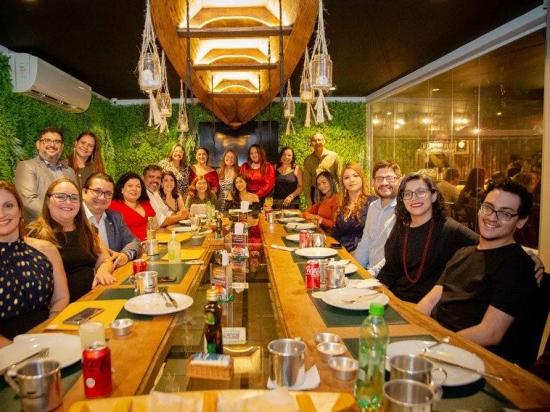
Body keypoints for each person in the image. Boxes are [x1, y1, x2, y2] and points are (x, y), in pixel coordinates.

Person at [417, 179, 546, 368]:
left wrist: (436, 346)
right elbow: (429, 302)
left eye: (505, 213)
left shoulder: (517, 265)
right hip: (437, 344)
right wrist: (411, 330)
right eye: (488, 207)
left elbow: (490, 333)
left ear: (521, 221)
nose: (492, 217)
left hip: (472, 360)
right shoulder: (463, 253)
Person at [378, 173, 479, 303]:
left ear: (434, 196)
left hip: (428, 307)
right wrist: (377, 297)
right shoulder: (401, 227)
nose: (414, 198)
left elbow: (483, 246)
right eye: (408, 194)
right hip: (395, 300)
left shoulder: (449, 228)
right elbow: (389, 271)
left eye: (420, 192)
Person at [0, 181, 69, 346]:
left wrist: (50, 327)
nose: (2, 214)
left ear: (20, 211)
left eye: (8, 205)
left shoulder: (47, 249)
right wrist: (15, 351)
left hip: (50, 337)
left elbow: (61, 297)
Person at [26, 178, 115, 301]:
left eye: (74, 198)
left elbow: (105, 259)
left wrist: (103, 271)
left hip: (94, 298)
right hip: (60, 308)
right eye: (60, 196)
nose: (68, 202)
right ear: (47, 200)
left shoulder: (88, 229)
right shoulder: (34, 235)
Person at [15, 127, 77, 222]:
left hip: (67, 226)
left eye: (57, 141)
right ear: (38, 144)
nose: (52, 145)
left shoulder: (70, 171)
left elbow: (75, 198)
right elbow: (28, 200)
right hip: (39, 227)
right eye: (47, 140)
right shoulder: (27, 166)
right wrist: (56, 218)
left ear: (62, 146)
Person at [82, 173, 141, 268]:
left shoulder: (115, 217)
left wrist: (125, 255)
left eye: (108, 193)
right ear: (84, 192)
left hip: (113, 276)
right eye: (97, 191)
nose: (102, 197)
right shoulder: (73, 219)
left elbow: (134, 242)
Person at [353, 160, 402, 276]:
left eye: (390, 178)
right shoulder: (373, 207)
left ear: (399, 181)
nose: (384, 183)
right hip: (369, 272)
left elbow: (395, 254)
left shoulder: (404, 210)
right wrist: (355, 269)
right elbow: (366, 242)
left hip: (388, 278)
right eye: (379, 179)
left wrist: (370, 275)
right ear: (373, 182)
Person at [332, 162, 374, 252]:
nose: (351, 180)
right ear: (343, 183)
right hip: (341, 254)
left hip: (361, 256)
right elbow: (335, 235)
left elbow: (375, 238)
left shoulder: (373, 202)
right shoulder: (342, 204)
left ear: (362, 178)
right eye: (346, 177)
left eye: (355, 175)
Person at [109, 172, 156, 241]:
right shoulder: (113, 206)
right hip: (128, 248)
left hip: (150, 245)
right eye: (130, 185)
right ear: (122, 189)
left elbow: (155, 225)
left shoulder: (145, 203)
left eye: (138, 186)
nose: (134, 189)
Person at [302, 132, 342, 207]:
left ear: (324, 141)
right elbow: (306, 183)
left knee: (332, 216)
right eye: (314, 140)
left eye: (319, 140)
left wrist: (342, 195)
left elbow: (340, 177)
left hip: (332, 192)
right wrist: (308, 200)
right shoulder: (308, 160)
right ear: (311, 143)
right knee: (316, 216)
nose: (317, 142)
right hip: (316, 193)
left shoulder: (334, 156)